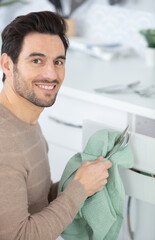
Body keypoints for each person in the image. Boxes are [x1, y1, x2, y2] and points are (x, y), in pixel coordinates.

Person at [0, 11, 112, 240]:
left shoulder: (25, 120)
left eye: (58, 62)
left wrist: (82, 180)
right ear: (7, 64)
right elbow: (18, 236)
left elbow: (36, 201)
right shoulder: (4, 143)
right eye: (37, 60)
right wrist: (79, 190)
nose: (51, 74)